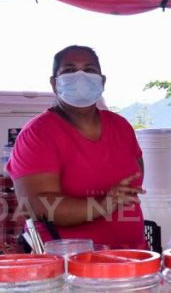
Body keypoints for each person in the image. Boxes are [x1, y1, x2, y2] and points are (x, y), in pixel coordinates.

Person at [8, 45, 147, 249]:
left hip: (131, 256)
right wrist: (103, 205)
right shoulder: (38, 133)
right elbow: (37, 206)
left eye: (89, 70)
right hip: (69, 264)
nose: (80, 77)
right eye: (69, 70)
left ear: (102, 81)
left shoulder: (121, 126)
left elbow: (135, 177)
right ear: (54, 83)